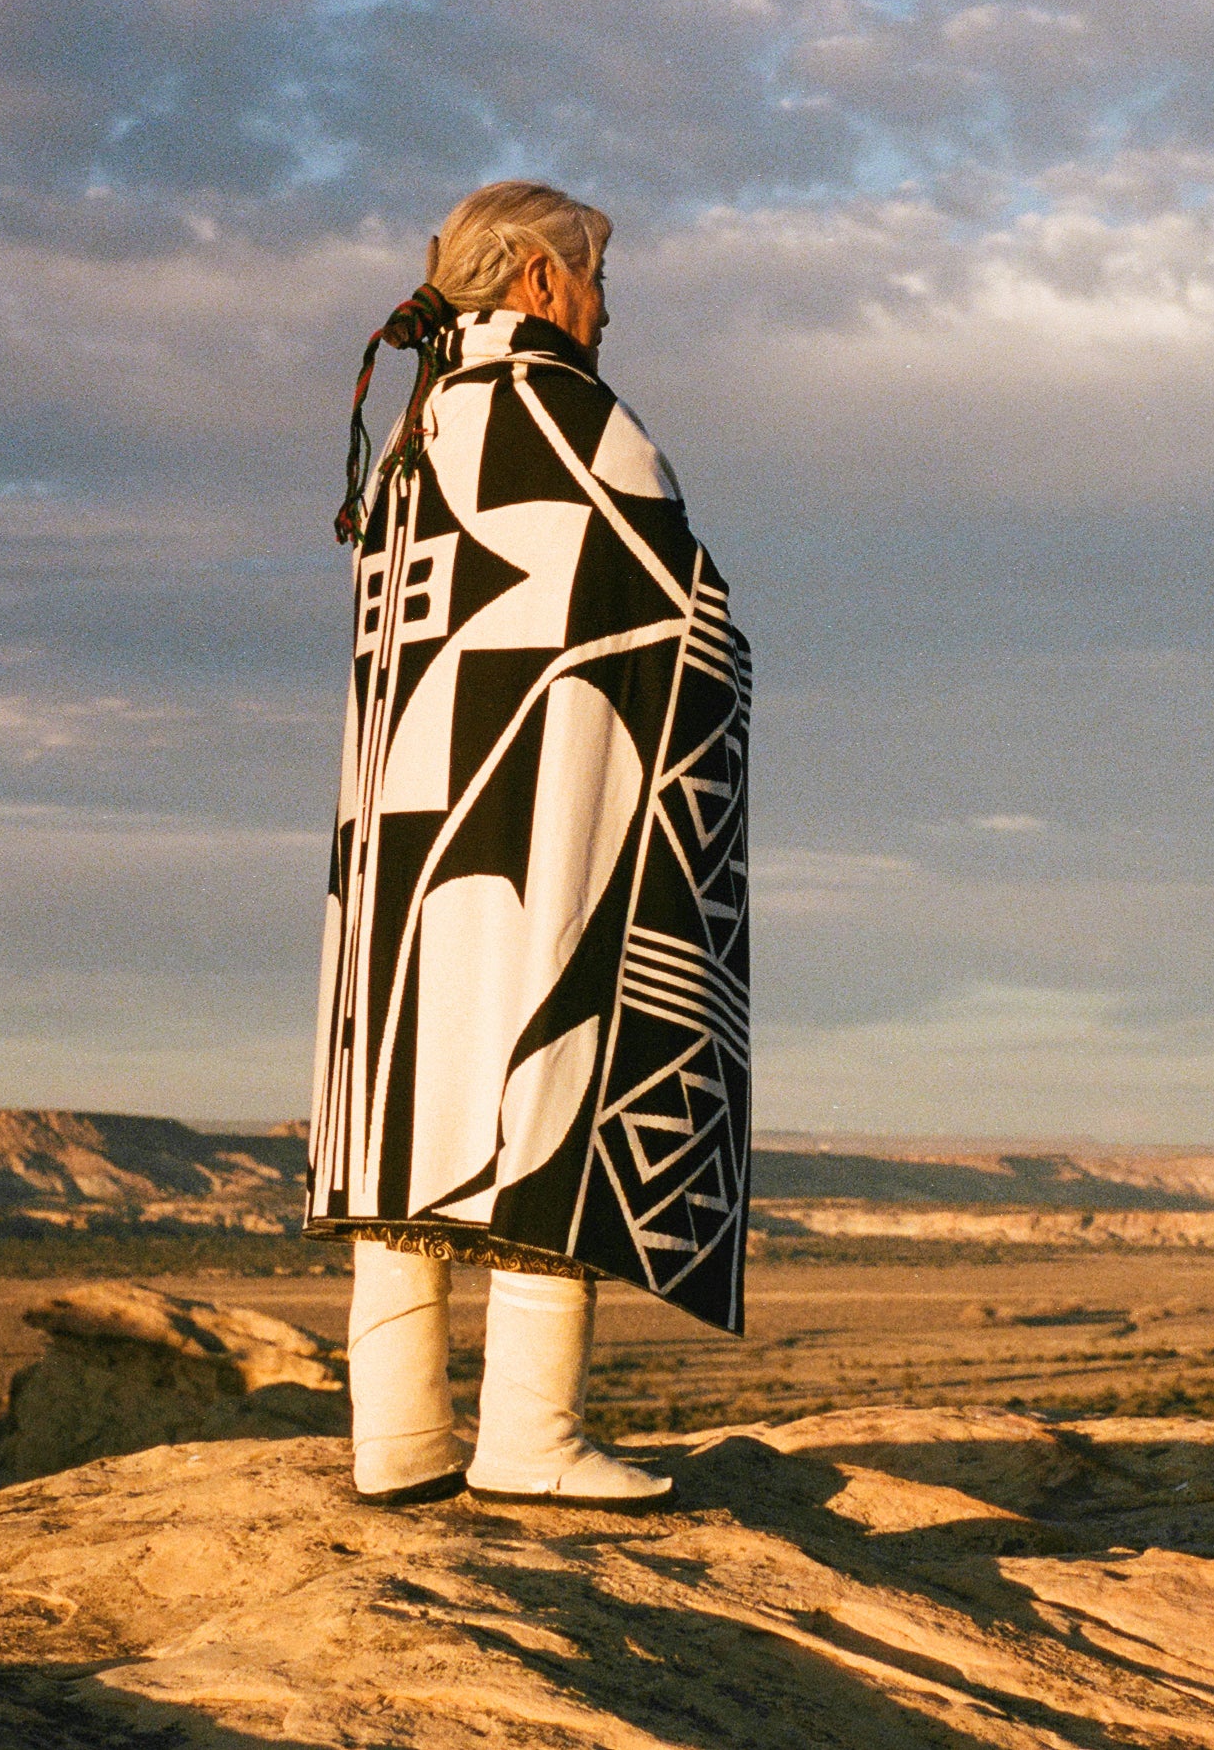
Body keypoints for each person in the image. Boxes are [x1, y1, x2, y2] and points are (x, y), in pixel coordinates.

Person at [303, 181, 751, 1511]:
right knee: (558, 1070)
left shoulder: (419, 429)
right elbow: (675, 610)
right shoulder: (573, 416)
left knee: (416, 1099)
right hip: (546, 817)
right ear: (542, 282)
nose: (606, 310)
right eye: (597, 281)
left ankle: (397, 1441)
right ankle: (529, 1442)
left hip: (404, 831)